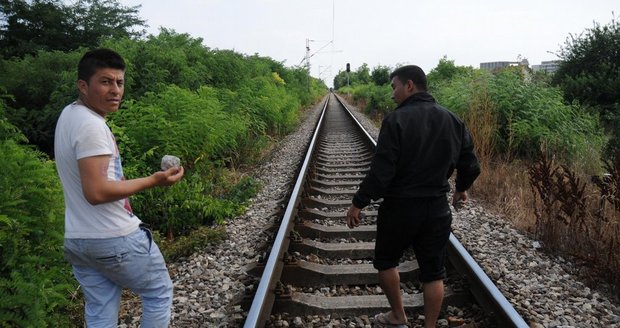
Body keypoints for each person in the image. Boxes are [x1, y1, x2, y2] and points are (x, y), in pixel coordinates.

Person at [54, 48, 185, 327]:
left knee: (101, 310)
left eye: (119, 82)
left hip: (79, 240)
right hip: (113, 236)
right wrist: (154, 180)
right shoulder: (92, 126)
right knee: (159, 292)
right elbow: (97, 192)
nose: (115, 90)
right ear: (83, 85)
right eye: (105, 81)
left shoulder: (69, 115)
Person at [346, 65, 480, 328]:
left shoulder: (396, 120)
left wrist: (358, 202)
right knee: (433, 273)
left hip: (400, 208)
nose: (392, 93)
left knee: (385, 261)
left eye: (394, 86)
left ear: (409, 85)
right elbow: (470, 163)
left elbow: (382, 172)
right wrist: (462, 187)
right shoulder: (452, 119)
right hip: (436, 208)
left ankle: (398, 316)